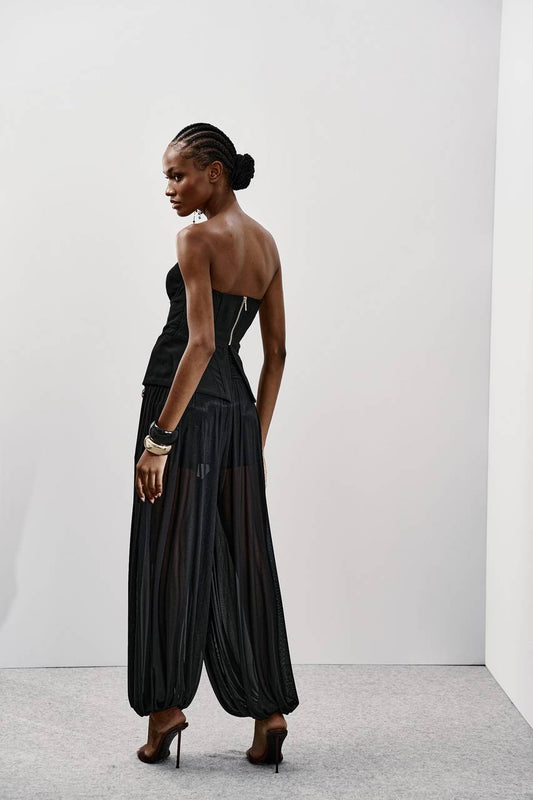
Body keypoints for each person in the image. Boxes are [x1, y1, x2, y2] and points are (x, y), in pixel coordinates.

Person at [128, 122, 299, 772]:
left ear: (214, 173)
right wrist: (253, 440)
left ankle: (164, 709)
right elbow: (277, 352)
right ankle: (268, 713)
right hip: (237, 411)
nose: (170, 188)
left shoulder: (195, 238)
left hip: (182, 405)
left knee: (168, 553)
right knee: (243, 559)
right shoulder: (266, 243)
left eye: (178, 175)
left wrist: (159, 439)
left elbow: (199, 343)